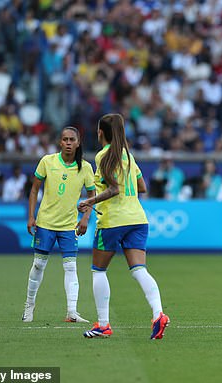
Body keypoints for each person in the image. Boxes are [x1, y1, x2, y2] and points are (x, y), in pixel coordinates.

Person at [78, 113, 169, 339]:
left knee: (98, 271)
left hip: (112, 221)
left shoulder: (103, 155)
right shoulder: (128, 156)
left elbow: (114, 189)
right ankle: (158, 314)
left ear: (100, 132)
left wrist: (90, 200)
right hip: (137, 219)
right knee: (139, 270)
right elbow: (142, 187)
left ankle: (103, 324)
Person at [22, 126, 95, 323]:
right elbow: (34, 189)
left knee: (71, 267)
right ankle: (29, 305)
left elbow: (92, 196)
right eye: (65, 139)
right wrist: (31, 216)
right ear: (60, 142)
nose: (69, 143)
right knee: (38, 265)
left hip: (68, 226)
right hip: (45, 223)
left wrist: (85, 218)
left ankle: (72, 311)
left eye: (72, 140)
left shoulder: (86, 168)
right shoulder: (47, 161)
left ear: (78, 143)